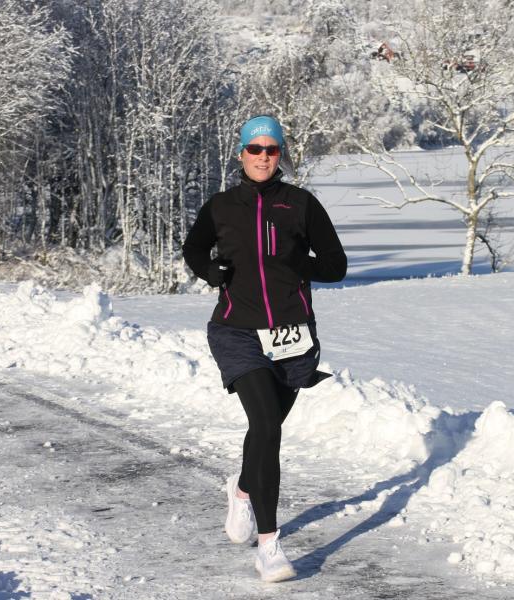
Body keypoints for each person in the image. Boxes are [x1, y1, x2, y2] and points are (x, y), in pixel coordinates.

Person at [183, 115, 347, 582]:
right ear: (240, 154)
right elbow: (193, 249)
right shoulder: (220, 206)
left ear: (281, 155)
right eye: (254, 149)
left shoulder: (301, 204)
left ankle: (241, 490)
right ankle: (269, 547)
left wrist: (303, 261)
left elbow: (336, 266)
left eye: (271, 150)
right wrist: (209, 272)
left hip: (292, 337)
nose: (262, 157)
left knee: (266, 430)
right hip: (237, 331)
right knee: (267, 423)